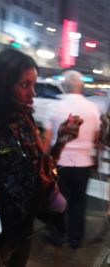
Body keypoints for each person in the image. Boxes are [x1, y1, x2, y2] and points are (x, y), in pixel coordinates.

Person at [0, 49, 83, 267]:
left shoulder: (25, 122)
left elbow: (40, 171)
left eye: (33, 85)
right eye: (25, 85)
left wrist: (61, 141)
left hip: (23, 232)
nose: (32, 93)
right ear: (2, 85)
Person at [42, 70, 101, 249]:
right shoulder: (92, 108)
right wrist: (95, 158)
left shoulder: (55, 106)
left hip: (60, 162)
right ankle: (76, 239)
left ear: (65, 86)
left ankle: (58, 235)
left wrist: (43, 163)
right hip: (83, 163)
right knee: (79, 200)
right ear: (81, 86)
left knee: (58, 201)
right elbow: (96, 139)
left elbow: (47, 138)